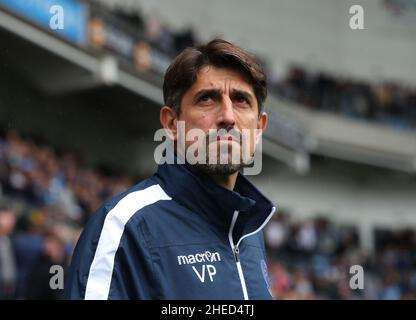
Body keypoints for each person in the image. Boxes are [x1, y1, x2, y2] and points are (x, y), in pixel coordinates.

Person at [65, 39, 276, 300]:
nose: (228, 116)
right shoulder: (123, 228)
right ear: (172, 123)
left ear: (258, 129)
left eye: (241, 100)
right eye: (207, 99)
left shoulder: (250, 232)